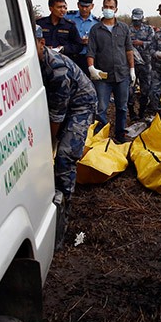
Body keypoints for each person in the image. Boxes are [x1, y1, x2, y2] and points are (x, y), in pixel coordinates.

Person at [35, 26, 96, 246]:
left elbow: (57, 116)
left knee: (64, 156)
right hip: (54, 107)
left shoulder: (57, 68)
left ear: (42, 43)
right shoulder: (30, 64)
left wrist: (49, 144)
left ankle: (63, 210)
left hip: (80, 106)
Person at [87, 0, 135, 142]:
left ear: (116, 9)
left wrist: (132, 69)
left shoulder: (123, 28)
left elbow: (129, 50)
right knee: (101, 108)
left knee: (122, 107)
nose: (108, 9)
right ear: (102, 8)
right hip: (103, 76)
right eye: (106, 7)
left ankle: (120, 136)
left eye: (111, 7)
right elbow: (91, 51)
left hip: (122, 74)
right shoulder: (95, 29)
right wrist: (91, 68)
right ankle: (100, 138)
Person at [127, 7, 154, 120]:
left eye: (138, 19)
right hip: (131, 64)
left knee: (145, 89)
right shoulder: (127, 29)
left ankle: (142, 112)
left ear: (142, 18)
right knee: (130, 90)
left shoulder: (148, 29)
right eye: (135, 20)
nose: (136, 22)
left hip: (145, 64)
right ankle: (132, 113)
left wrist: (141, 43)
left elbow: (154, 43)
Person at [65, 0, 99, 70]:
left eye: (87, 6)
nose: (84, 9)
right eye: (82, 6)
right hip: (69, 56)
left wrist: (89, 41)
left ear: (92, 6)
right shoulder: (67, 17)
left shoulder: (96, 23)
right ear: (78, 4)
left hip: (86, 58)